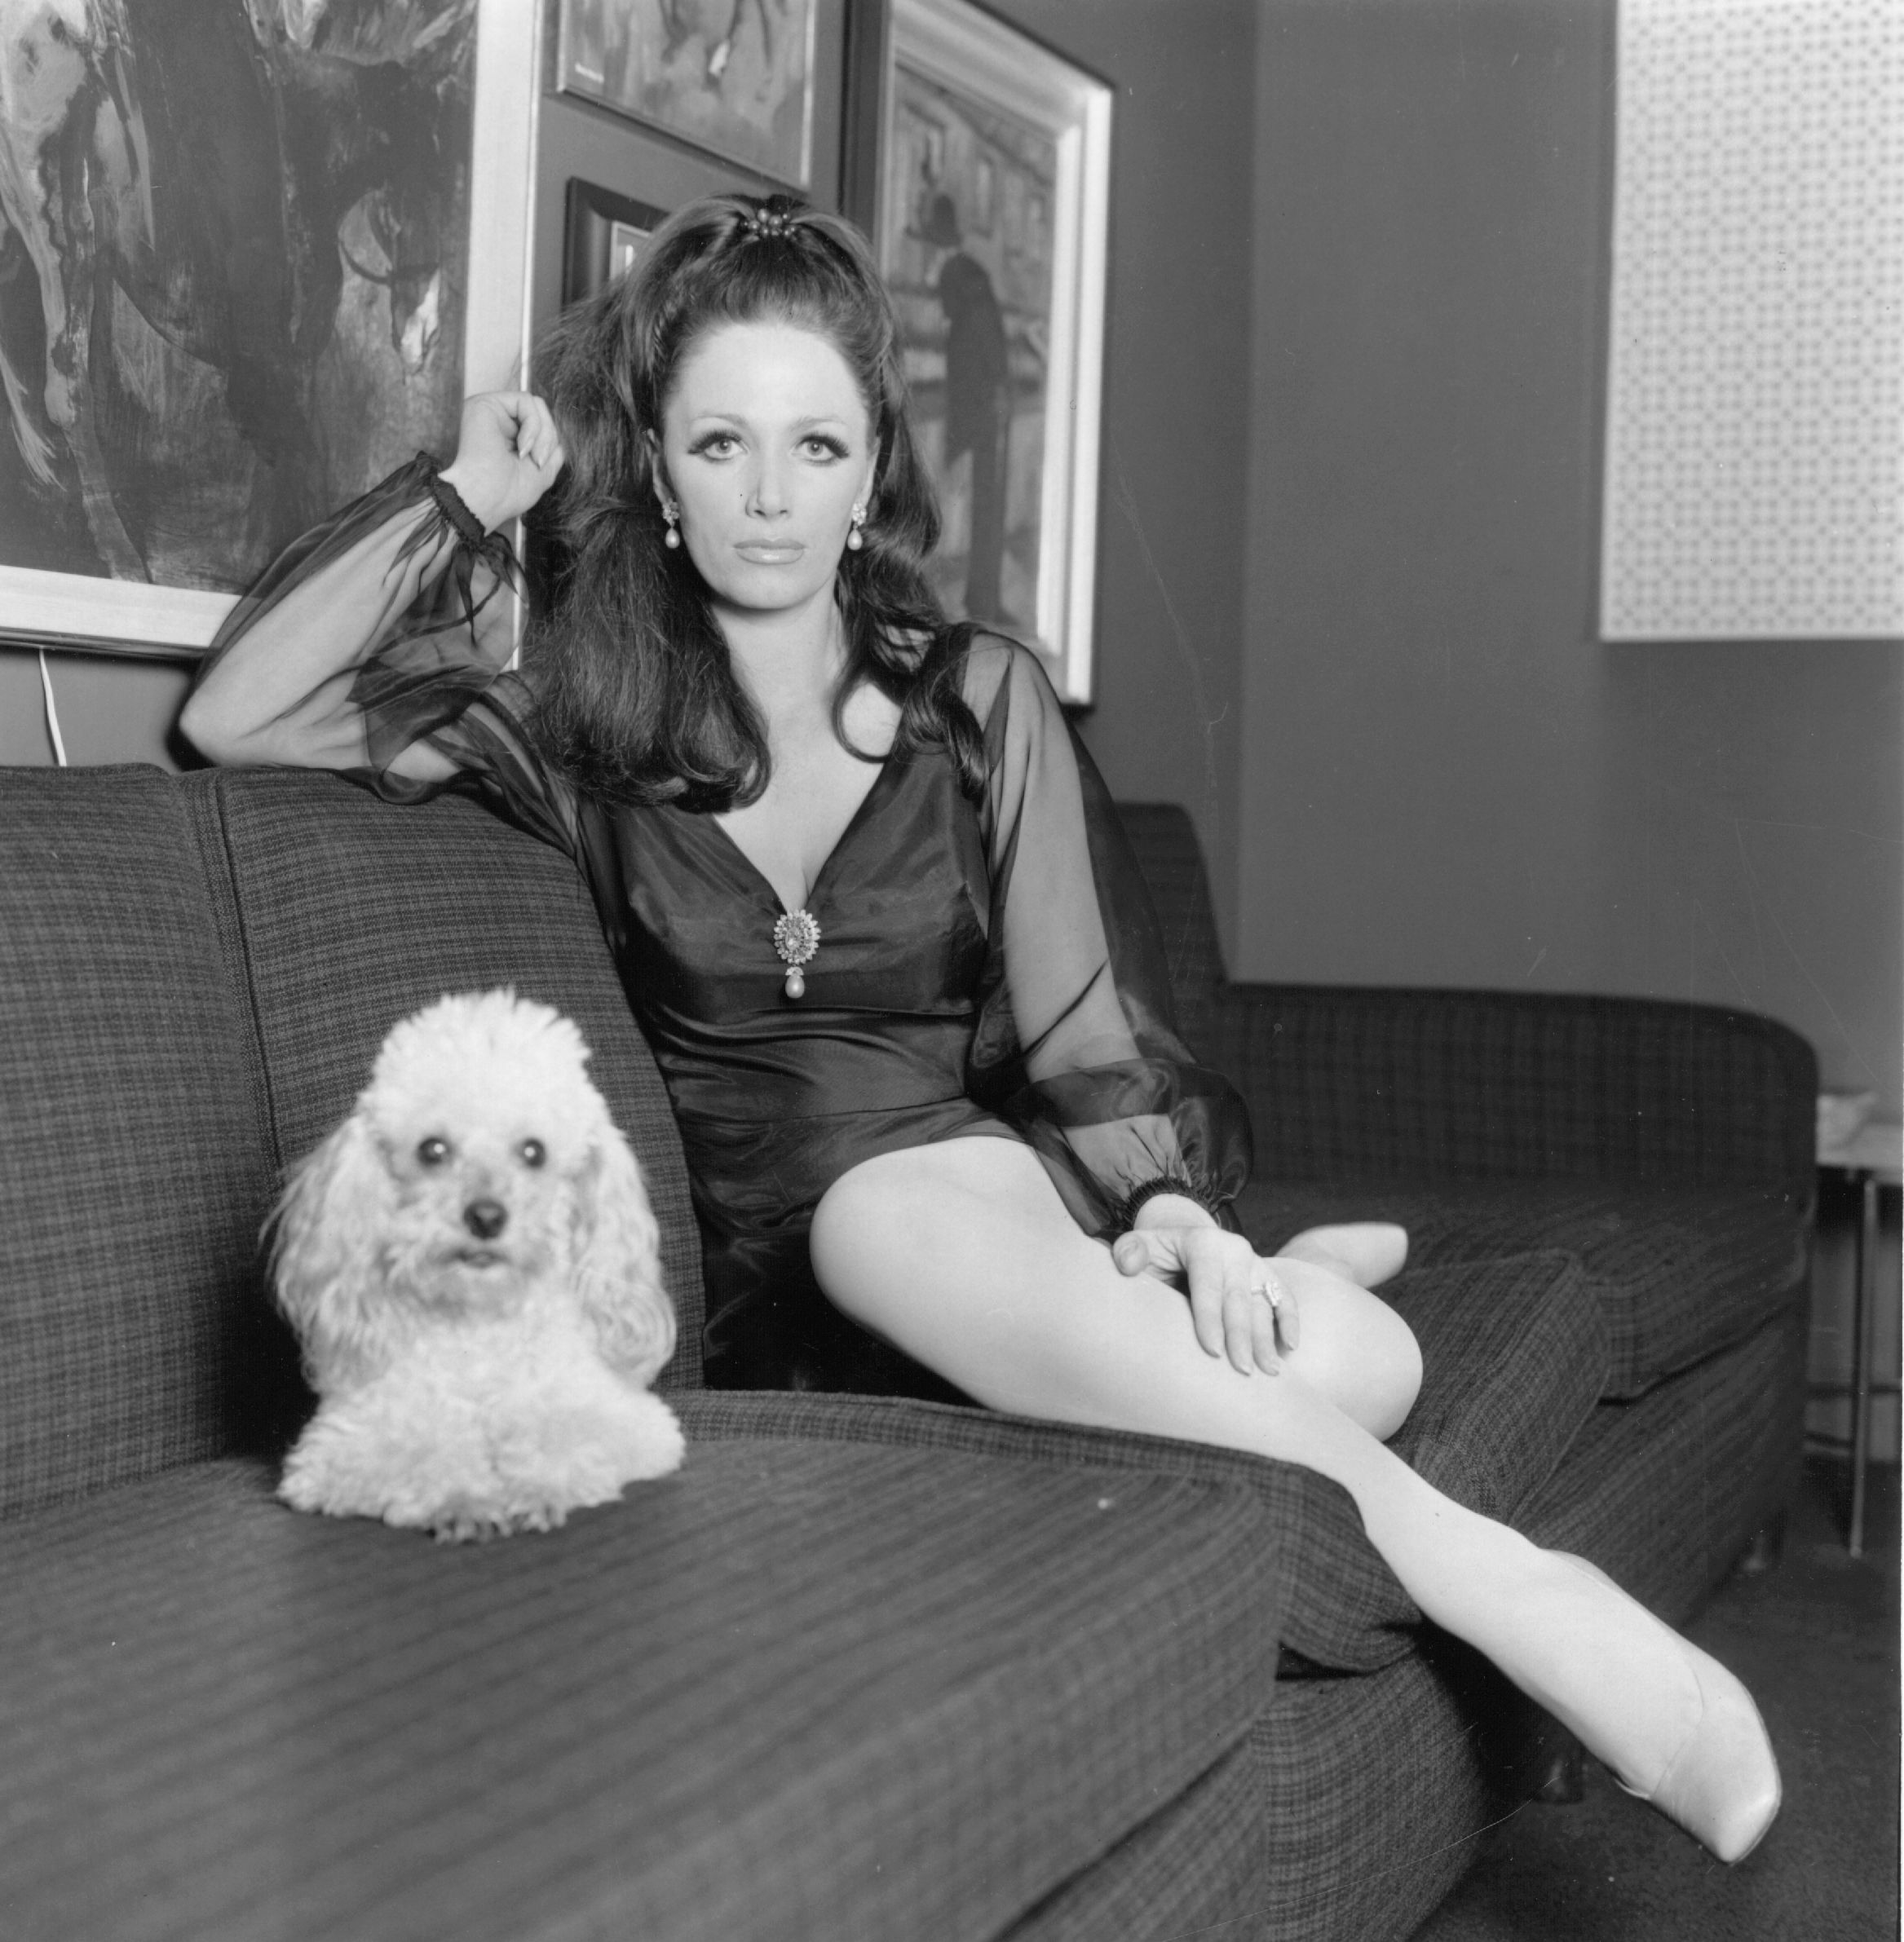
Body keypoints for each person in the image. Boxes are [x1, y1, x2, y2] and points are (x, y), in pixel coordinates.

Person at [179, 192, 1780, 1865]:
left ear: (874, 468)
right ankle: (1494, 1552)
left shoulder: (973, 696)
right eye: (721, 442)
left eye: (816, 444)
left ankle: (1305, 1339)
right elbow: (238, 713)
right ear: (654, 470)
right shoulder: (586, 728)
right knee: (1335, 1363)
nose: (772, 495)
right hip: (798, 1278)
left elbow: (1075, 1035)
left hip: (982, 1195)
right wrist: (470, 486)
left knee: (1201, 1311)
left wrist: (1167, 1210)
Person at [917, 191, 1011, 624]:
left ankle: (972, 601)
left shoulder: (955, 274)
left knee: (964, 499)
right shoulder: (968, 273)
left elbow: (969, 337)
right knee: (981, 504)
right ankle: (981, 600)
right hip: (983, 403)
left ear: (939, 245)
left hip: (975, 408)